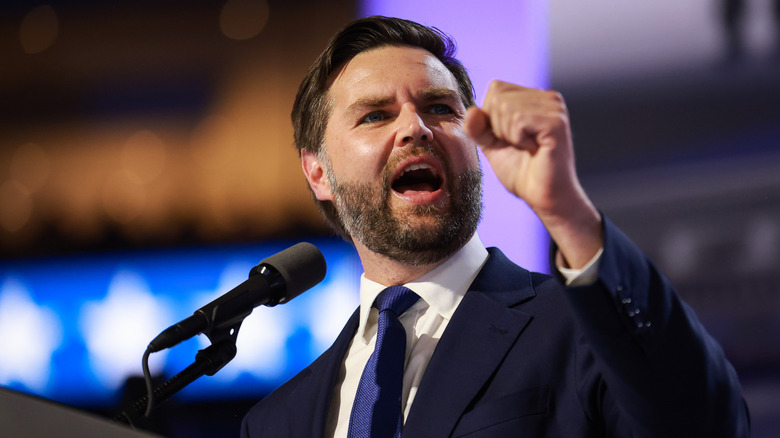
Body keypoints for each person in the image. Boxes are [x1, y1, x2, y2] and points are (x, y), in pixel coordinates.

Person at [241, 16, 749, 437]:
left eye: (440, 108)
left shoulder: (580, 329)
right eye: (375, 115)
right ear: (318, 172)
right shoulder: (275, 421)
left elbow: (706, 423)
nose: (416, 127)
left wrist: (567, 213)